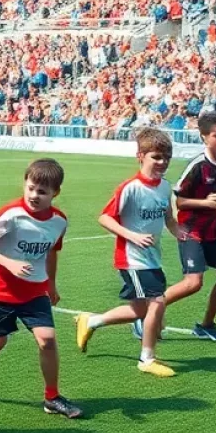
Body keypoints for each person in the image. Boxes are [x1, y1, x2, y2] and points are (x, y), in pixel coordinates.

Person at [0, 159, 82, 417]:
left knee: (47, 340)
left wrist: (52, 284)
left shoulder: (59, 222)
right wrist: (8, 263)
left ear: (55, 193)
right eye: (31, 188)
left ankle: (52, 397)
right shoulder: (11, 214)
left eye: (42, 192)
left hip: (35, 291)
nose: (34, 195)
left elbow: (52, 252)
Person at [75, 128, 181, 377]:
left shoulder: (165, 187)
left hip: (152, 257)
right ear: (140, 156)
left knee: (141, 310)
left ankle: (90, 321)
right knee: (157, 301)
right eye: (156, 156)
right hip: (132, 258)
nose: (162, 162)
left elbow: (168, 219)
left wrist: (184, 236)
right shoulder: (130, 188)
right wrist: (132, 236)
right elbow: (105, 218)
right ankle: (147, 358)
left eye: (166, 157)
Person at [163, 113, 216, 342]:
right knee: (193, 283)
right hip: (191, 232)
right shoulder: (198, 166)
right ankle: (147, 313)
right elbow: (179, 201)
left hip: (213, 235)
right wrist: (204, 202)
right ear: (204, 138)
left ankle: (207, 324)